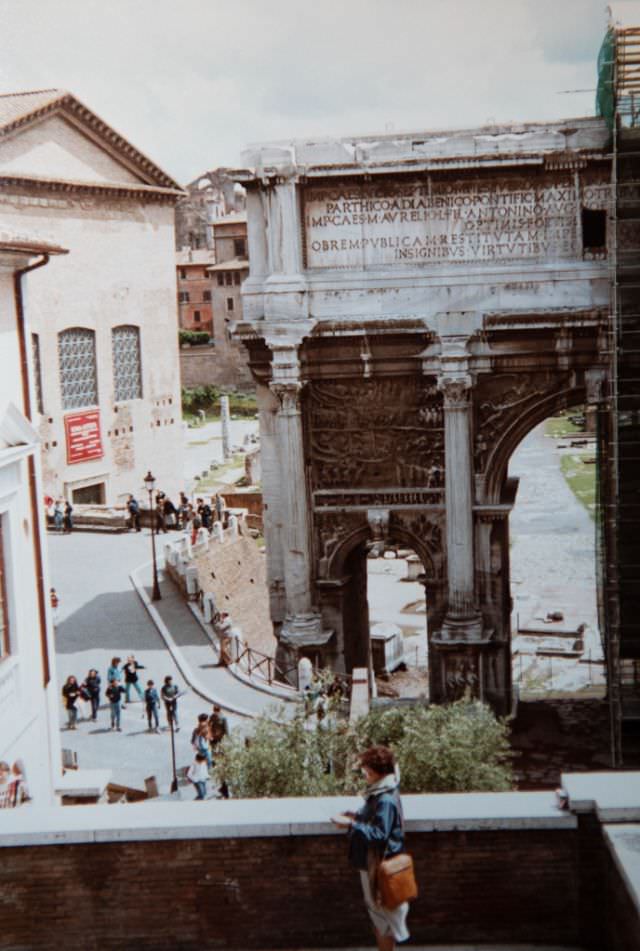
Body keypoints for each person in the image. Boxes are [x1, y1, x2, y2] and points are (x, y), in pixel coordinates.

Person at [332, 745, 410, 951]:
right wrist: (356, 816)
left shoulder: (385, 799)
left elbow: (379, 834)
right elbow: (375, 823)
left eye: (367, 772)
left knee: (382, 917)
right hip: (375, 864)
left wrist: (351, 824)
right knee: (381, 916)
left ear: (377, 773)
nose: (365, 775)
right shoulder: (384, 791)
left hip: (379, 866)